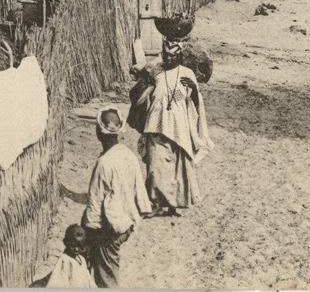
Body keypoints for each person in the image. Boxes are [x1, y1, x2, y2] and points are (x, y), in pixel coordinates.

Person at [135, 36, 214, 215]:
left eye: (172, 57)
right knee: (155, 167)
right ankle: (155, 203)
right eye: (166, 56)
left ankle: (172, 205)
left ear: (179, 57)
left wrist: (193, 90)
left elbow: (195, 102)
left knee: (177, 168)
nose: (168, 60)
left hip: (178, 127)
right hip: (156, 124)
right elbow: (141, 96)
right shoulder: (156, 72)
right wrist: (145, 84)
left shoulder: (187, 73)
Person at [81, 107, 151, 288]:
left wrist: (90, 233)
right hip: (127, 223)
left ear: (99, 132)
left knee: (106, 278)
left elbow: (94, 203)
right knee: (110, 268)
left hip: (110, 230)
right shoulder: (128, 155)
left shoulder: (104, 163)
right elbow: (142, 197)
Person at [46, 224, 95, 288]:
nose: (76, 249)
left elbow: (89, 280)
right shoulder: (65, 260)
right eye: (73, 245)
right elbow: (60, 282)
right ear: (66, 242)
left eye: (79, 246)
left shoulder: (81, 259)